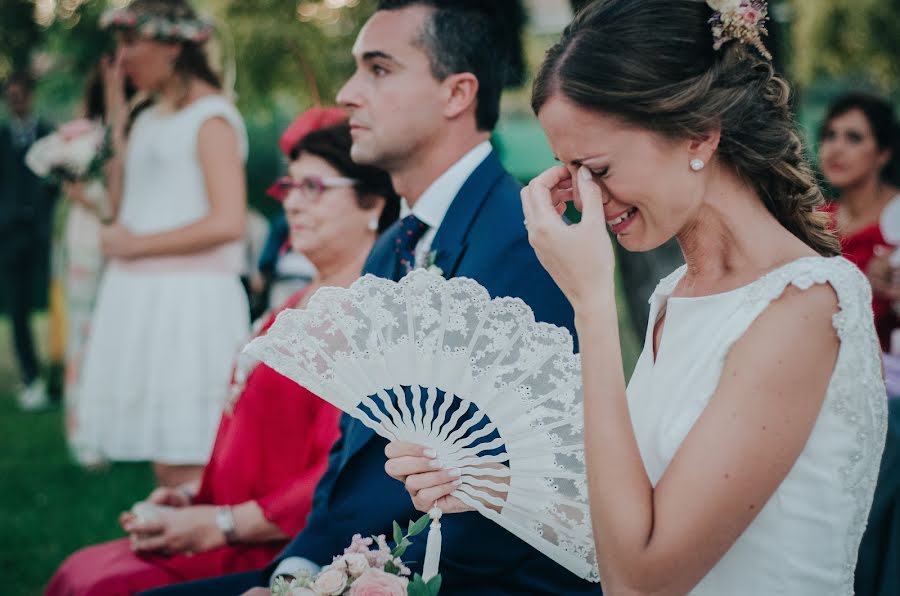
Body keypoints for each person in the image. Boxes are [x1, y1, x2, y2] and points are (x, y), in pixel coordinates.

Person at [389, 1, 887, 594]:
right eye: (567, 169)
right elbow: (634, 523)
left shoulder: (802, 307)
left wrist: (592, 306)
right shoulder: (676, 292)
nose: (583, 197)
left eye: (596, 165)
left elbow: (642, 580)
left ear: (698, 135)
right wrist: (483, 480)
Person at [141, 1, 599, 595]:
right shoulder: (391, 249)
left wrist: (353, 583)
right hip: (342, 561)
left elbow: (513, 493)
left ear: (457, 93)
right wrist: (296, 572)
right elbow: (348, 459)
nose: (349, 92)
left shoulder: (521, 240)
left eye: (378, 69)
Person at [46, 117, 401, 596]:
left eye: (314, 186)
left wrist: (222, 522)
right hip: (224, 522)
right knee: (79, 570)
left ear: (374, 204)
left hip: (280, 545)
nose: (292, 201)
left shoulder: (366, 321)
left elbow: (335, 477)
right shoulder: (294, 304)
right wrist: (195, 493)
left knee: (103, 586)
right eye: (289, 185)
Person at [73, 0, 250, 486]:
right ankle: (174, 542)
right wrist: (115, 113)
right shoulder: (146, 116)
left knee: (187, 450)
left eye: (131, 42)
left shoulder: (211, 118)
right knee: (161, 452)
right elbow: (119, 201)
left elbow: (228, 221)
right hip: (141, 295)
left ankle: (200, 549)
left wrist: (137, 247)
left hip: (187, 301)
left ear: (173, 45)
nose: (121, 56)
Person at [819, 93, 900, 351]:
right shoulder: (816, 221)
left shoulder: (896, 219)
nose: (836, 148)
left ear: (883, 153)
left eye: (853, 138)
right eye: (830, 135)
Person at [0, 72, 57, 411]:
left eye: (21, 94)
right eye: (11, 96)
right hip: (9, 237)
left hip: (44, 234)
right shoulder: (1, 137)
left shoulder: (50, 134)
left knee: (59, 306)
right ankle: (30, 377)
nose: (16, 101)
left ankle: (60, 376)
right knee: (18, 310)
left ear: (31, 96)